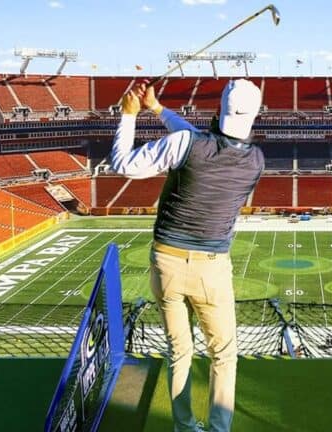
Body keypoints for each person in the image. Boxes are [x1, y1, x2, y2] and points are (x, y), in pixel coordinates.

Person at [111, 78, 264, 432]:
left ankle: (184, 427)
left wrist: (129, 115)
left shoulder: (186, 144)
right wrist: (157, 109)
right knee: (223, 356)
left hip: (166, 264)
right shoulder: (255, 160)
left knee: (179, 351)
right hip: (212, 271)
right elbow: (204, 143)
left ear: (218, 111)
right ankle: (218, 429)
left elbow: (124, 163)